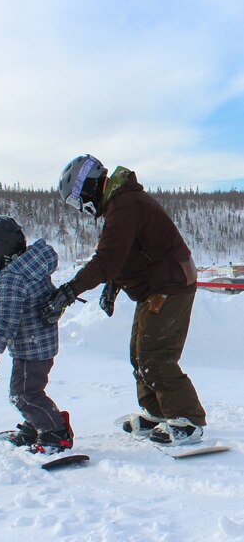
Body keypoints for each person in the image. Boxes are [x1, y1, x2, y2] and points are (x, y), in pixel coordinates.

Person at [40, 155, 206, 447]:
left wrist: (70, 290)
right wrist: (113, 287)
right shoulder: (120, 204)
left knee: (155, 355)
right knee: (139, 354)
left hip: (171, 285)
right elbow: (128, 253)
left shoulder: (124, 205)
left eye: (77, 200)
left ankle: (187, 420)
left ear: (89, 187)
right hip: (156, 286)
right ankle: (157, 413)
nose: (81, 208)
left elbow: (106, 260)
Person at [0, 215, 74, 454]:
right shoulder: (29, 265)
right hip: (41, 343)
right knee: (30, 390)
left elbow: (4, 322)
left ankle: (55, 433)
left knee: (24, 395)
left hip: (31, 348)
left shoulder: (11, 279)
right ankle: (35, 426)